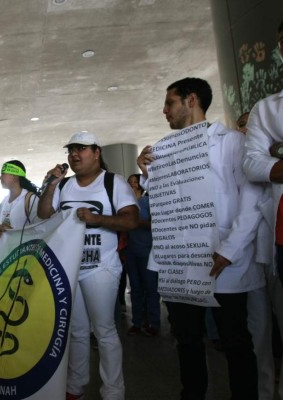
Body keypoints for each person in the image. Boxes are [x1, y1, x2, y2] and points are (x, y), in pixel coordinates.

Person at [138, 77, 261, 400]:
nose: (165, 111)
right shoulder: (164, 150)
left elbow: (251, 200)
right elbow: (169, 201)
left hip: (223, 260)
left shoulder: (231, 142)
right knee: (187, 339)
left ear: (191, 100)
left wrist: (230, 250)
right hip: (181, 261)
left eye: (170, 103)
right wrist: (150, 173)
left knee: (235, 340)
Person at [38, 132, 138, 400]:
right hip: (69, 269)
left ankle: (114, 391)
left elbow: (130, 221)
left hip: (101, 268)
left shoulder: (113, 182)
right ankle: (76, 384)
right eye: (71, 150)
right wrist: (51, 184)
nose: (74, 154)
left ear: (96, 152)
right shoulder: (64, 186)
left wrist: (97, 219)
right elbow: (44, 215)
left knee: (104, 330)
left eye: (81, 149)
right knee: (77, 330)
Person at [242, 20, 283, 400]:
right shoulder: (268, 110)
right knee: (266, 332)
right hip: (273, 245)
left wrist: (277, 153)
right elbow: (254, 167)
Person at [124, 174, 160, 337]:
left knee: (151, 289)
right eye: (129, 182)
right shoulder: (124, 204)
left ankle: (154, 322)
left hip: (147, 250)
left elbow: (156, 225)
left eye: (135, 182)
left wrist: (139, 222)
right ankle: (137, 322)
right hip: (131, 251)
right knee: (135, 288)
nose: (132, 185)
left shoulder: (148, 202)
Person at [0, 160, 40, 240]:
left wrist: (12, 231)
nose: (0, 177)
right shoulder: (5, 200)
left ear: (14, 176)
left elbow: (41, 230)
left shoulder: (30, 199)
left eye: (3, 174)